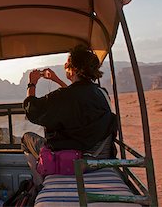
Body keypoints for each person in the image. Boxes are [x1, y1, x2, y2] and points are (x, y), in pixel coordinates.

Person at [21, 45, 117, 185]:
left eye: (67, 63)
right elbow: (75, 96)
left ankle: (39, 185)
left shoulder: (63, 97)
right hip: (98, 161)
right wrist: (56, 80)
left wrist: (32, 84)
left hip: (72, 161)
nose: (64, 65)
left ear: (74, 69)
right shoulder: (102, 93)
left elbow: (32, 109)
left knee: (26, 139)